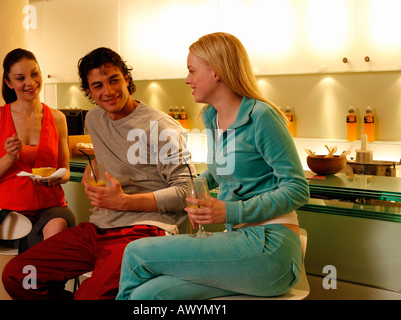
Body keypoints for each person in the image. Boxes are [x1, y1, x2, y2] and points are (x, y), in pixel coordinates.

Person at [116, 32, 310, 300]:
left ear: (216, 71)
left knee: (136, 253)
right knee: (148, 295)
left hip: (270, 247)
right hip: (240, 246)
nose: (187, 79)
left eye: (192, 70)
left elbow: (297, 189)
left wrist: (228, 211)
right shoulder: (211, 117)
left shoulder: (261, 117)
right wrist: (192, 189)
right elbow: (222, 172)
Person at [2, 47, 195, 300]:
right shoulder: (94, 119)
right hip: (99, 230)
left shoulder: (161, 125)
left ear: (126, 78)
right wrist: (93, 178)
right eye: (98, 85)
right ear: (90, 92)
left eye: (114, 80)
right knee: (18, 275)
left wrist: (124, 201)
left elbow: (187, 191)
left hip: (145, 232)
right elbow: (106, 160)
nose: (108, 91)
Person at [0, 48, 75, 253]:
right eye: (20, 78)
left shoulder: (57, 118)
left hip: (52, 207)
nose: (30, 83)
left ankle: (42, 283)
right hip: (10, 213)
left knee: (57, 227)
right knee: (50, 247)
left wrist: (58, 177)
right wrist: (9, 158)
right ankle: (46, 283)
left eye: (35, 74)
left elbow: (65, 171)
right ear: (9, 83)